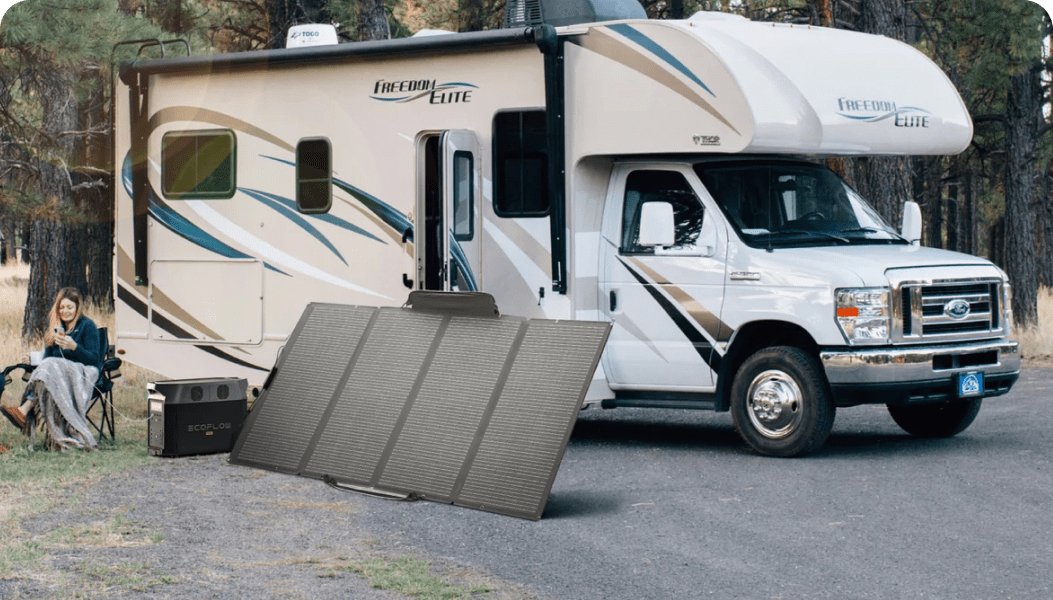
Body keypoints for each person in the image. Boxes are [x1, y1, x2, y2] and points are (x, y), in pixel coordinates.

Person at [1, 287, 102, 450]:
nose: (65, 311)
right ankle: (31, 418)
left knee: (52, 366)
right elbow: (48, 360)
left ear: (77, 308)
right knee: (49, 365)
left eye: (69, 307)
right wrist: (35, 359)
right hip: (57, 374)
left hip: (82, 372)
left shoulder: (87, 326)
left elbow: (94, 359)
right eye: (61, 308)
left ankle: (23, 410)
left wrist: (75, 347)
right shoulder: (56, 328)